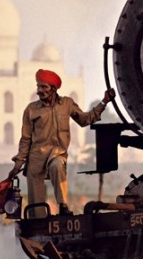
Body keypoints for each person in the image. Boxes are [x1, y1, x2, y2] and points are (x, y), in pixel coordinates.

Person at [8, 69, 115, 215]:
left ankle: (63, 206)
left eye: (44, 87)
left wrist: (104, 102)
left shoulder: (66, 104)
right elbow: (26, 138)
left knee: (57, 165)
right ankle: (39, 231)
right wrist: (18, 164)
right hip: (36, 160)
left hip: (56, 154)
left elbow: (85, 120)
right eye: (38, 86)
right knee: (37, 211)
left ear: (53, 88)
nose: (39, 91)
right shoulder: (31, 110)